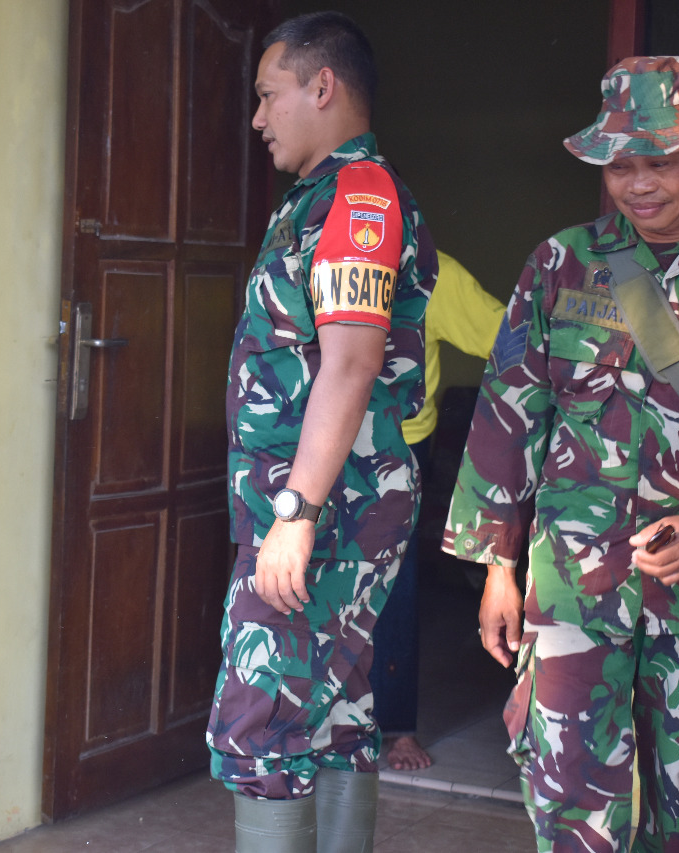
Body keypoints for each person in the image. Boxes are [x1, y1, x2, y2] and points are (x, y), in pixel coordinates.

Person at [443, 56, 679, 852]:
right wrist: (498, 567)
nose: (637, 185)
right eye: (619, 166)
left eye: (658, 162)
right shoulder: (559, 265)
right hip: (571, 590)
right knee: (568, 807)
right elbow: (509, 416)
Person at [205, 12, 436, 852]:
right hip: (330, 504)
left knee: (259, 721)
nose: (258, 117)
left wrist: (296, 512)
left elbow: (350, 363)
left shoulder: (357, 197)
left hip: (328, 508)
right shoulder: (316, 199)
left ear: (323, 87)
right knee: (334, 716)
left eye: (269, 95)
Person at [371, 251, 504, 772]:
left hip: (398, 442)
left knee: (393, 584)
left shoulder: (433, 270)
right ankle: (318, 727)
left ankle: (397, 727)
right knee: (315, 580)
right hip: (317, 437)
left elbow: (509, 336)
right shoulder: (311, 256)